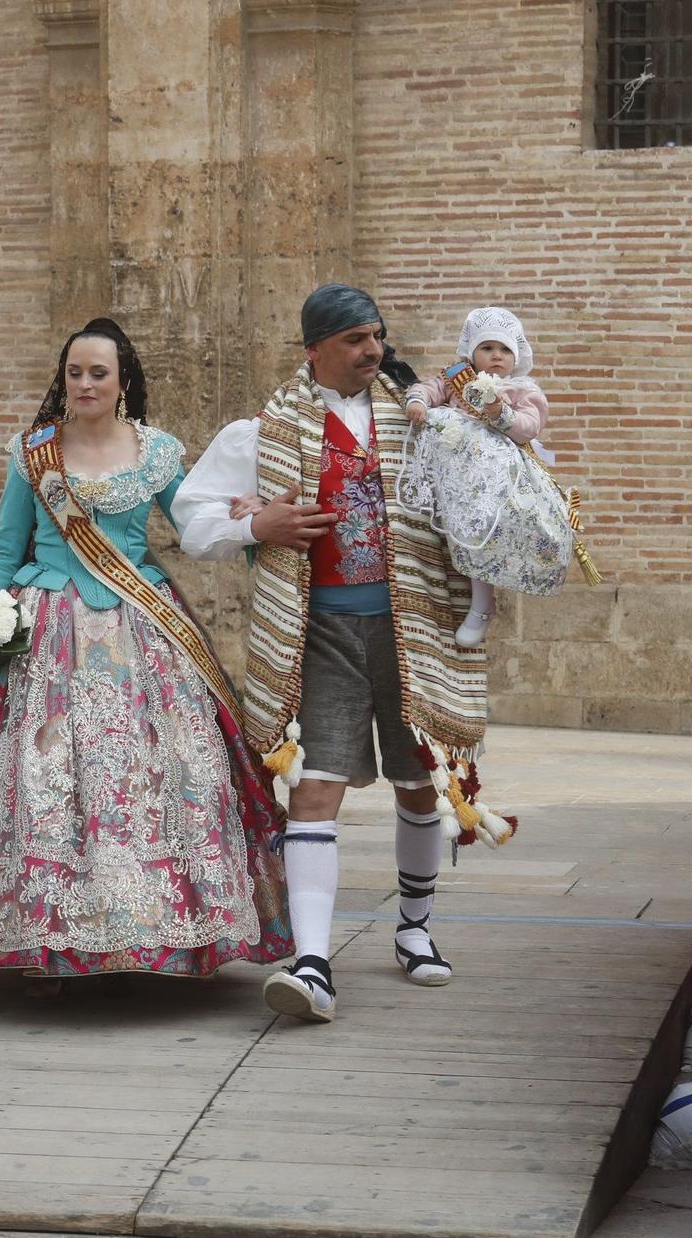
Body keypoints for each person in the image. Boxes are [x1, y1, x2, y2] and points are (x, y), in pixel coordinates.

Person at [0, 318, 291, 978]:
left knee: (156, 777)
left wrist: (249, 517)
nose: (86, 382)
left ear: (123, 379)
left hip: (142, 630)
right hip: (42, 632)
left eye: (99, 371)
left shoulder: (155, 451)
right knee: (40, 780)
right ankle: (39, 936)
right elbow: (9, 548)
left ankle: (153, 930)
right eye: (76, 372)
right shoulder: (35, 449)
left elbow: (194, 523)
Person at [173, 283, 487, 1024]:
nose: (372, 350)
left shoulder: (422, 422)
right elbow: (192, 517)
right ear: (313, 349)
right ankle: (312, 962)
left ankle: (414, 928)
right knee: (314, 785)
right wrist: (260, 528)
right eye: (354, 340)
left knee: (419, 783)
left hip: (414, 633)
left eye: (376, 336)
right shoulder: (260, 431)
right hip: (315, 633)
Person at [401, 306, 567, 647]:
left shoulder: (521, 389)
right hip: (460, 479)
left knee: (491, 528)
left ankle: (481, 606)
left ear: (516, 356)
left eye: (505, 349)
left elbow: (530, 427)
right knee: (466, 531)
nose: (496, 356)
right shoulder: (456, 378)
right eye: (488, 348)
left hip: (501, 478)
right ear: (472, 352)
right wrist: (417, 403)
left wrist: (501, 413)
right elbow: (427, 389)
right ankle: (478, 602)